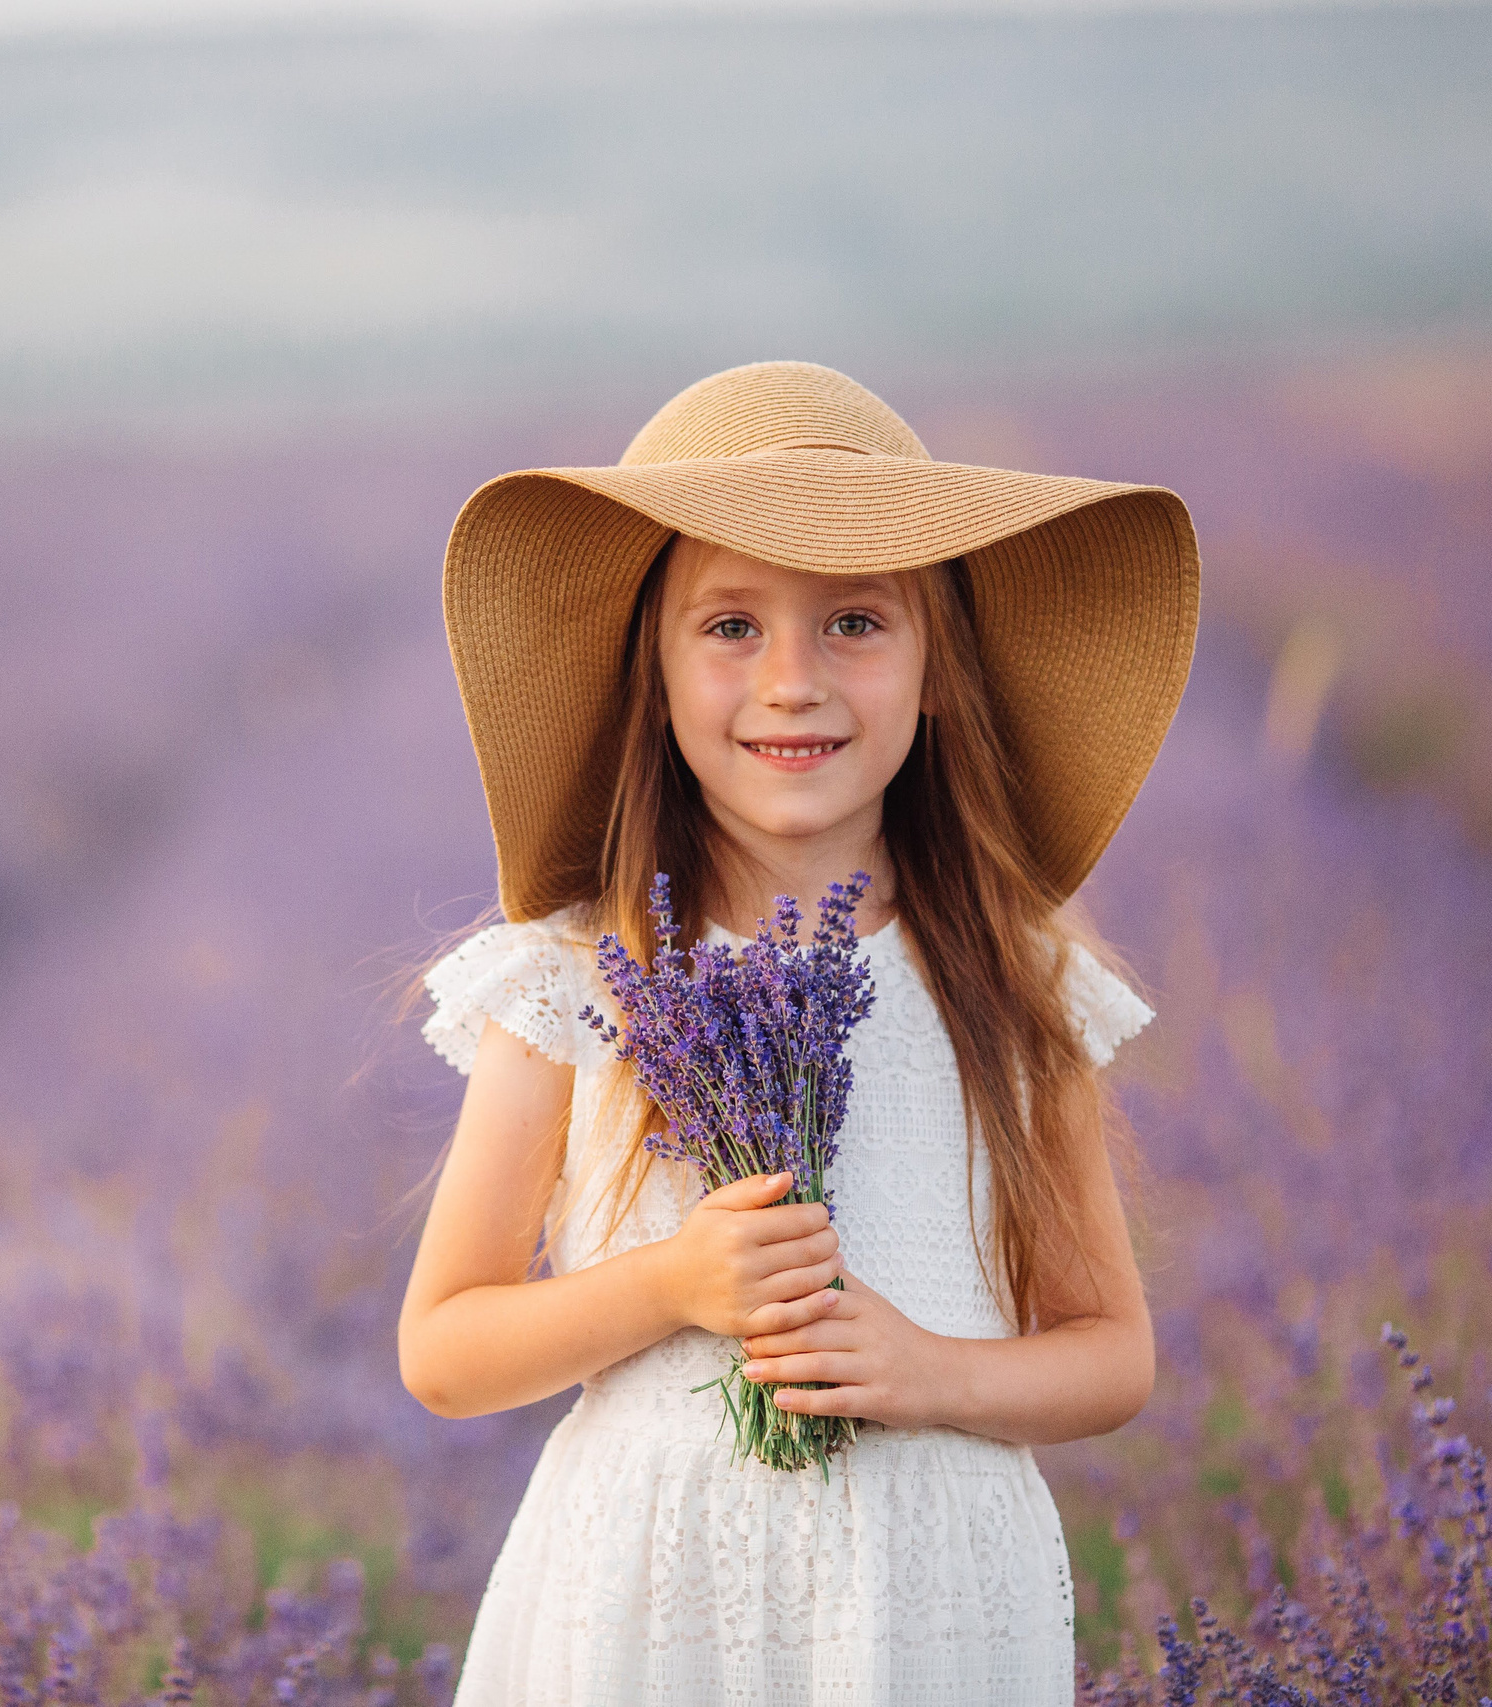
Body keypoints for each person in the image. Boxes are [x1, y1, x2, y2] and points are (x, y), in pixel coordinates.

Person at [397, 361, 1200, 1703]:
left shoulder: (1014, 986)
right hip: (654, 1597)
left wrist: (932, 1372)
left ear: (937, 669)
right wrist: (669, 1286)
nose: (790, 681)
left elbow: (1110, 1352)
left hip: (926, 1598)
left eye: (853, 624)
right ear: (648, 677)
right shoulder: (578, 974)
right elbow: (444, 1348)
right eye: (729, 627)